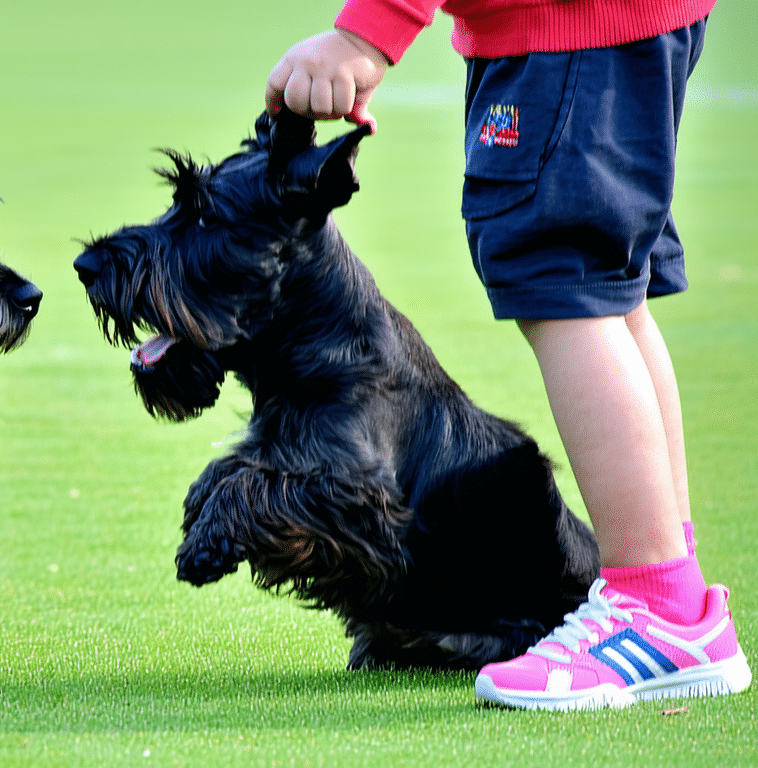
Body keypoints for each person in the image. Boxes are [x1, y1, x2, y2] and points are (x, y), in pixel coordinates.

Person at [264, 0, 751, 710]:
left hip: (567, 33)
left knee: (568, 290)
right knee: (612, 294)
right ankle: (672, 594)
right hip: (625, 26)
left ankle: (654, 606)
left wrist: (364, 34)